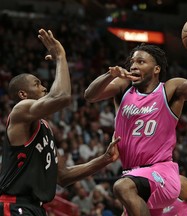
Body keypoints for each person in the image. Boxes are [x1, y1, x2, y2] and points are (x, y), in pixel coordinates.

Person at [84, 15, 187, 215]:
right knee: (125, 188)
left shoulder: (170, 89)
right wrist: (109, 75)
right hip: (133, 175)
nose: (133, 65)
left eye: (141, 61)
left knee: (121, 187)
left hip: (161, 172)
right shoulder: (123, 87)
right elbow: (90, 96)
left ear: (156, 69)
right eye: (132, 62)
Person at [0, 29, 120, 216]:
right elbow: (62, 96)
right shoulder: (19, 111)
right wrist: (60, 56)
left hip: (36, 208)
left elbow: (63, 177)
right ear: (23, 94)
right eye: (37, 84)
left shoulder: (45, 128)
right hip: (15, 205)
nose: (44, 87)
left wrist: (104, 159)